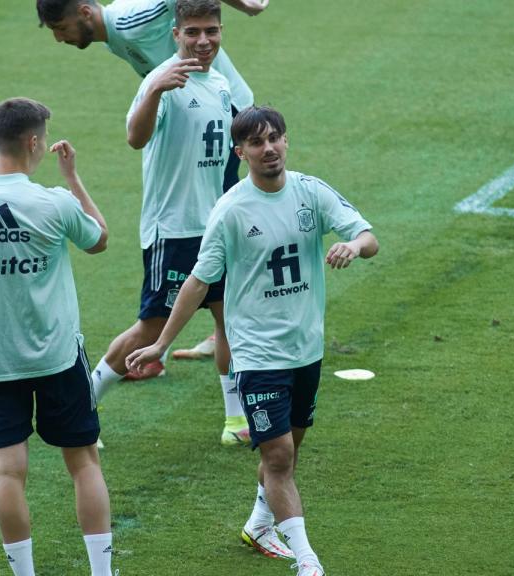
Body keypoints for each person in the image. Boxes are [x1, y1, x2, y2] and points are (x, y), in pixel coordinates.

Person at [127, 105, 379, 575]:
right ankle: (307, 561)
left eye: (275, 138)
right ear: (239, 152)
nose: (269, 149)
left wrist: (353, 245)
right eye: (257, 142)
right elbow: (198, 282)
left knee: (289, 451)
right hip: (257, 353)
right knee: (278, 456)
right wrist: (161, 344)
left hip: (306, 348)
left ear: (286, 140)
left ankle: (260, 524)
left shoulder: (310, 192)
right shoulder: (231, 210)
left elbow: (368, 237)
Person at [0, 98, 115, 576]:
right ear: (34, 142)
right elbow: (99, 239)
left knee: (8, 470)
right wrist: (73, 178)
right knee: (84, 463)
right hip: (58, 357)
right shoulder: (53, 202)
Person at [36, 0, 269, 373]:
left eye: (60, 27)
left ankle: (212, 324)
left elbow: (186, 6)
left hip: (223, 110)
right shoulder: (119, 38)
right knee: (212, 242)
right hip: (187, 108)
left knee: (216, 228)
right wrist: (156, 92)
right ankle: (203, 327)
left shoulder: (130, 22)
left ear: (84, 12)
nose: (59, 38)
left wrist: (247, 6)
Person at [87, 0, 251, 447]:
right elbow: (135, 137)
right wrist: (155, 90)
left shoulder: (221, 85)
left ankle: (235, 420)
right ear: (175, 35)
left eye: (212, 31)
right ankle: (82, 402)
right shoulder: (161, 80)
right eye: (193, 32)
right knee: (152, 328)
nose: (203, 41)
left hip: (213, 226)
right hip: (174, 230)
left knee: (229, 318)